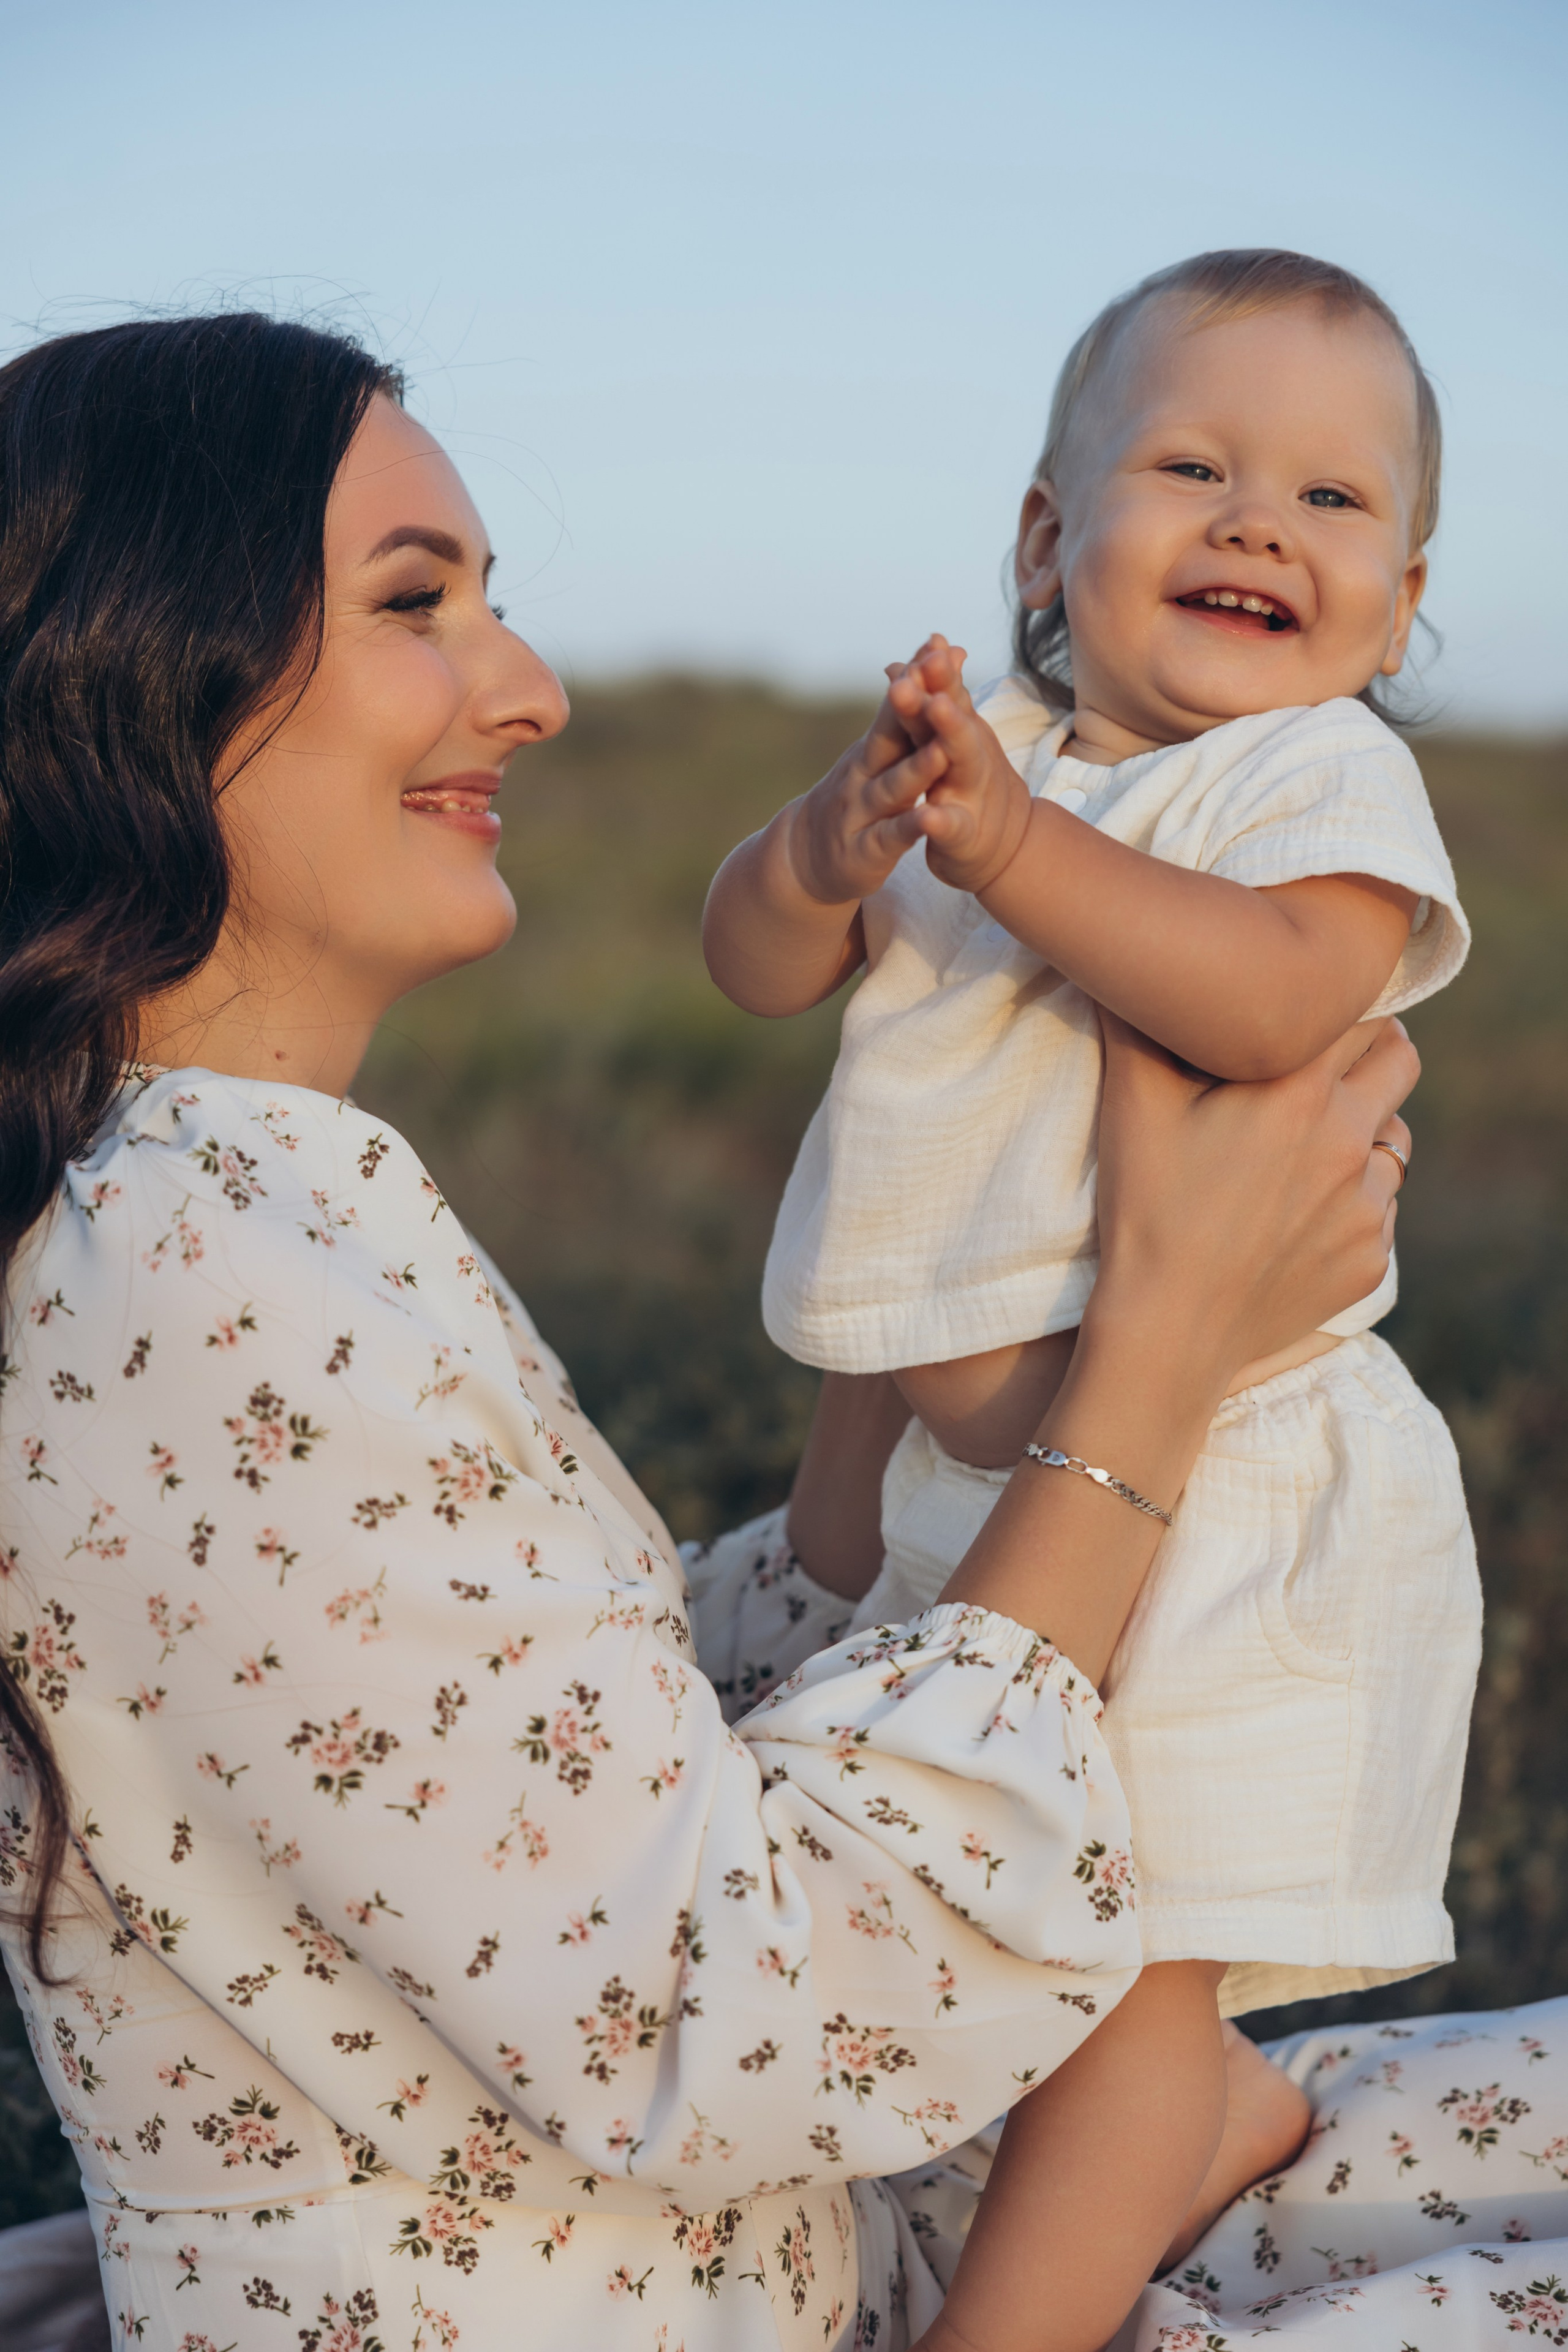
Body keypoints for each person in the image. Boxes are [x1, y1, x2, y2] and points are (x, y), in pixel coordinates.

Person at [0, 309, 1514, 2352]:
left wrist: (897, 1347)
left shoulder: (200, 1205)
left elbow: (531, 1771)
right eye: (416, 601)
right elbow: (733, 2015)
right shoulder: (187, 1266)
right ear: (133, 664)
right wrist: (1162, 1348)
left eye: (495, 604)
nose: (525, 693)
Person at [702, 249, 1484, 2340]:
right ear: (1051, 539)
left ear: (1399, 606)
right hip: (1022, 1478)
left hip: (1229, 1478)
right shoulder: (992, 766)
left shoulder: (1309, 786)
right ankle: (1206, 2128)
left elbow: (1277, 996)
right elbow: (754, 970)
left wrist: (1020, 852)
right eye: (1194, 464)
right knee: (985, 1920)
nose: (1256, 523)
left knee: (1125, 1953)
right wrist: (824, 847)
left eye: (1334, 501)